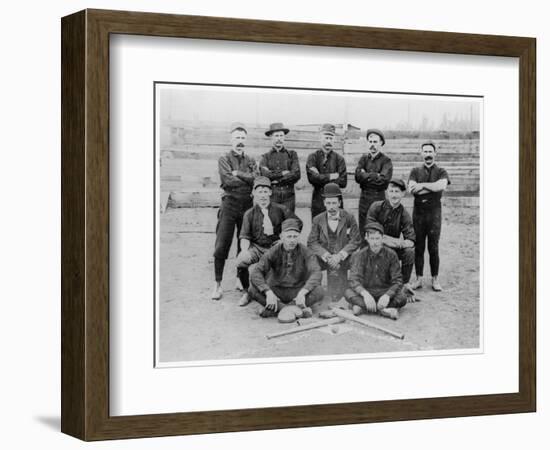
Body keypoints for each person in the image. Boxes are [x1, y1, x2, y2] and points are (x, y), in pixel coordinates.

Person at [211, 122, 258, 300]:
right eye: (237, 138)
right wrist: (243, 179)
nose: (240, 141)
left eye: (242, 138)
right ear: (231, 140)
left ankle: (240, 278)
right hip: (229, 204)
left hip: (247, 204)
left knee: (243, 244)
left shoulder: (251, 160)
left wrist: (239, 173)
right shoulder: (223, 158)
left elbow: (256, 179)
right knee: (222, 244)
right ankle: (217, 284)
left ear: (246, 140)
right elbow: (227, 181)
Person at [236, 176, 298, 306]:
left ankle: (280, 292)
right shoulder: (249, 214)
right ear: (254, 193)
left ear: (270, 193)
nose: (263, 195)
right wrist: (244, 251)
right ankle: (247, 292)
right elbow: (244, 236)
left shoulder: (280, 209)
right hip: (257, 247)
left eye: (265, 191)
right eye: (260, 191)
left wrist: (285, 237)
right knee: (241, 260)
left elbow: (297, 223)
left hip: (275, 246)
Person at [249, 218, 325, 318]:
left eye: (295, 236)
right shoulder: (273, 251)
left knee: (319, 290)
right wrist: (268, 292)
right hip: (277, 290)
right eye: (289, 236)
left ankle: (276, 310)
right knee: (252, 289)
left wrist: (303, 292)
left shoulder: (306, 252)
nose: (292, 240)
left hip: (297, 291)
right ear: (281, 237)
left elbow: (317, 272)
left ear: (299, 237)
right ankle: (294, 310)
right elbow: (256, 272)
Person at [408, 140, 451, 292]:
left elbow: (442, 186)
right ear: (421, 154)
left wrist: (423, 185)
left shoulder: (441, 171)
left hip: (434, 213)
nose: (428, 154)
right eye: (425, 151)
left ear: (435, 153)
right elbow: (412, 189)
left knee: (433, 247)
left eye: (430, 151)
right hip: (418, 213)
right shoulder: (415, 171)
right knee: (418, 247)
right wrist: (432, 188)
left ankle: (435, 279)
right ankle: (419, 279)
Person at [307, 183, 361, 301]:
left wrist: (340, 255)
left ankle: (354, 290)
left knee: (358, 257)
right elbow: (312, 242)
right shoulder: (318, 219)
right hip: (325, 258)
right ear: (324, 203)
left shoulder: (349, 217)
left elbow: (355, 240)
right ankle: (315, 292)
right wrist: (326, 256)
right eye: (328, 203)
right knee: (310, 260)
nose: (331, 207)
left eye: (334, 203)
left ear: (339, 203)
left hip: (344, 258)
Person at [344, 222, 408, 320]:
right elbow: (354, 279)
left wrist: (387, 295)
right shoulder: (359, 255)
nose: (375, 242)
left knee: (402, 297)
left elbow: (397, 280)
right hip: (367, 291)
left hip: (385, 291)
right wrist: (365, 295)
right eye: (372, 239)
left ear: (382, 239)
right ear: (367, 238)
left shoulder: (391, 254)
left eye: (378, 238)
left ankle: (362, 308)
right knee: (348, 293)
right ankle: (384, 310)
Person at [366, 178, 415, 291]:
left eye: (397, 191)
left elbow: (411, 240)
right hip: (374, 246)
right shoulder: (376, 207)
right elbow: (371, 233)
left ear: (403, 193)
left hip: (392, 249)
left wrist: (395, 243)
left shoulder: (404, 214)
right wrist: (395, 241)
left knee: (409, 252)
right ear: (387, 192)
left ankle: (404, 284)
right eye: (391, 191)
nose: (394, 195)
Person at [354, 128, 393, 240]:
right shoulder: (363, 159)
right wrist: (376, 175)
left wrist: (365, 175)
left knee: (378, 233)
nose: (372, 145)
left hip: (379, 200)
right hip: (364, 200)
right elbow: (357, 176)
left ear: (381, 143)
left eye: (375, 142)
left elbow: (384, 180)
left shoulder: (386, 161)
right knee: (363, 233)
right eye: (370, 142)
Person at [306, 123, 347, 219]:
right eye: (326, 137)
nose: (328, 141)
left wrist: (320, 177)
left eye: (331, 138)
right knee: (318, 230)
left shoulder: (339, 159)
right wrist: (331, 176)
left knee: (335, 230)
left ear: (334, 140)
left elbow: (343, 182)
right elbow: (312, 178)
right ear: (320, 138)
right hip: (318, 201)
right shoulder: (313, 157)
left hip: (335, 202)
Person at [259, 122, 301, 212]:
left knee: (288, 222)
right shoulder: (265, 157)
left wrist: (276, 179)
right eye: (276, 136)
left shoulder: (292, 154)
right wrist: (282, 173)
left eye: (281, 136)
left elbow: (296, 174)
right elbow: (264, 175)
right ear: (271, 137)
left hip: (289, 196)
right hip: (273, 196)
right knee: (274, 222)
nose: (279, 139)